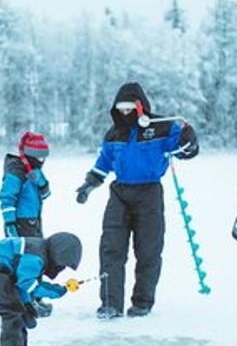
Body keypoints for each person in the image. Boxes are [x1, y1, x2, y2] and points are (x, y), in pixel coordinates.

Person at [74, 82, 198, 318]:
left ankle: (142, 301)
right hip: (120, 194)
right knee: (111, 249)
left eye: (129, 108)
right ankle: (110, 304)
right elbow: (104, 163)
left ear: (140, 107)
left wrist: (189, 140)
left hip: (149, 194)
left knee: (148, 250)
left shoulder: (161, 127)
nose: (124, 113)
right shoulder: (113, 134)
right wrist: (89, 184)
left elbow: (184, 150)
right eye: (120, 108)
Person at [0, 232, 82, 346]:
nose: (60, 269)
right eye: (61, 265)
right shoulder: (36, 257)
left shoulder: (40, 251)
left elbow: (22, 284)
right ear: (57, 254)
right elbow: (26, 283)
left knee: (20, 310)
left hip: (0, 266)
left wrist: (26, 304)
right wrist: (52, 291)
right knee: (11, 312)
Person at [0, 131, 51, 239]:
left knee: (38, 251)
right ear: (31, 156)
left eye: (44, 158)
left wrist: (41, 182)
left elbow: (45, 195)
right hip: (20, 222)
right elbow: (7, 199)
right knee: (26, 253)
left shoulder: (35, 170)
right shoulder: (16, 171)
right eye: (39, 158)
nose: (42, 161)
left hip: (34, 220)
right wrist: (10, 223)